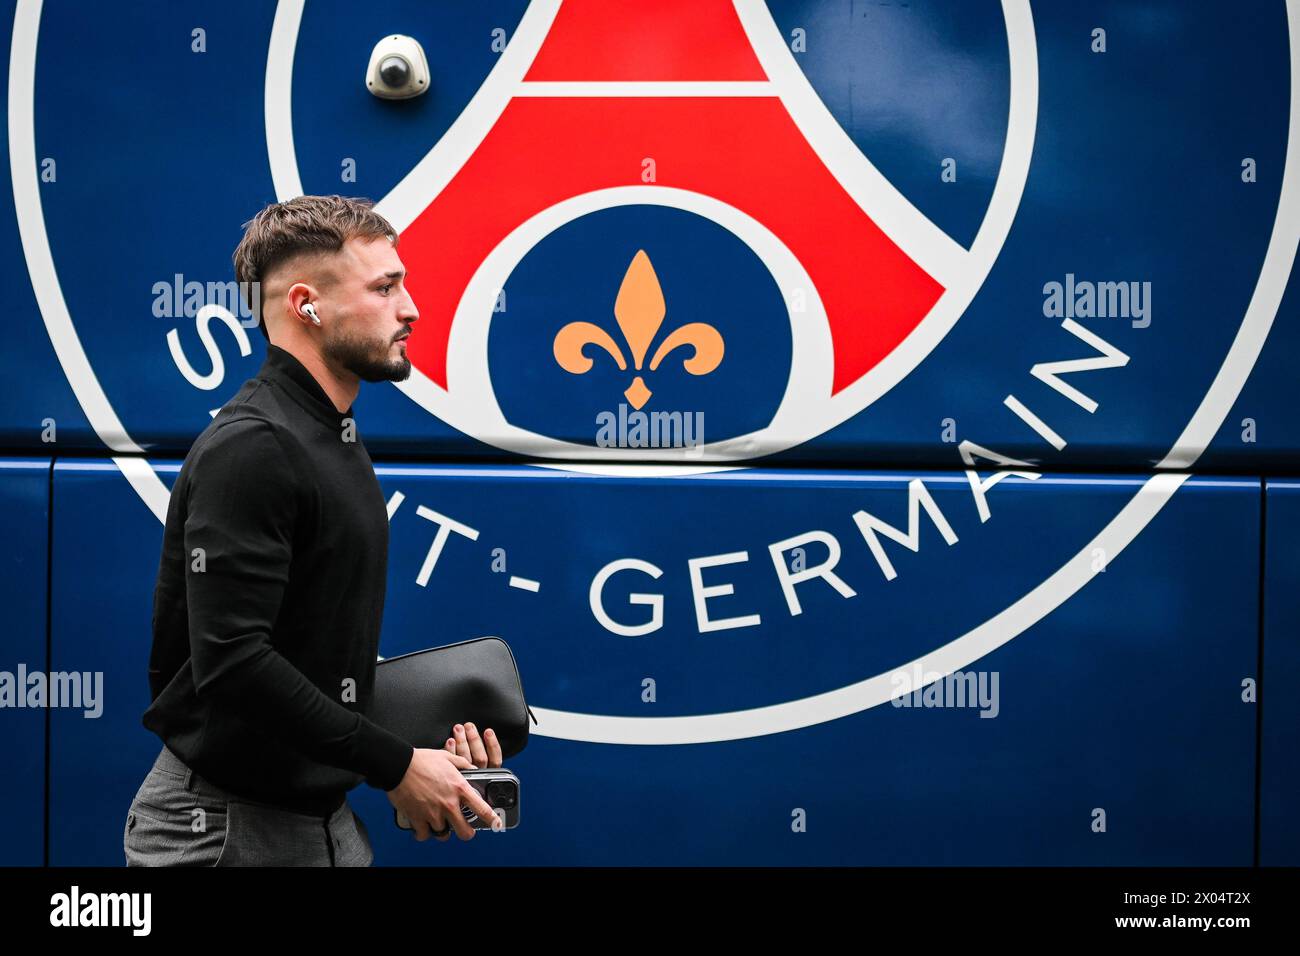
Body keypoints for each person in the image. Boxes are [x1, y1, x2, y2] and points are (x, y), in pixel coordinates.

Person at [125, 194, 501, 866]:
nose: (410, 310)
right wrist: (394, 766)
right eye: (385, 288)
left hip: (323, 825)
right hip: (223, 834)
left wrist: (423, 746)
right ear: (306, 304)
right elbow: (235, 663)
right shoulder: (253, 447)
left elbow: (309, 653)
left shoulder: (333, 437)